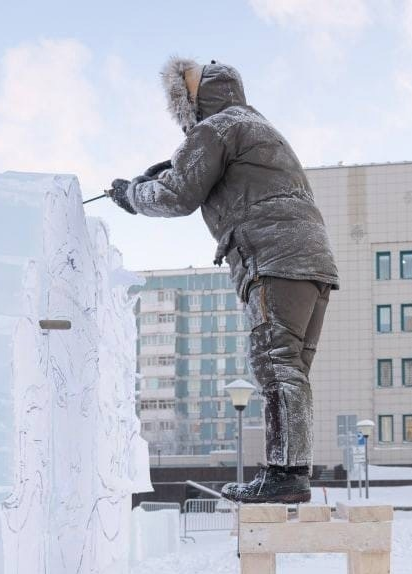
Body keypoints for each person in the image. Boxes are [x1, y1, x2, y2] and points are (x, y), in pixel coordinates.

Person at [110, 58, 338, 503]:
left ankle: (286, 478)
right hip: (311, 260)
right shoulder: (252, 124)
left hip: (274, 257)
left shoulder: (217, 127)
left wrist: (132, 195)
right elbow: (205, 174)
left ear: (194, 99)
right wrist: (174, 165)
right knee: (290, 369)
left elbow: (177, 194)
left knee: (274, 363)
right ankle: (289, 473)